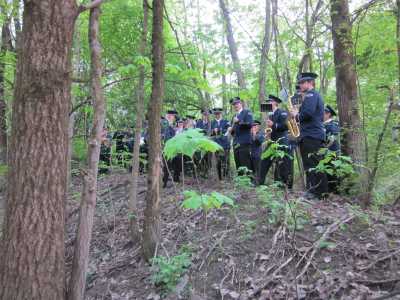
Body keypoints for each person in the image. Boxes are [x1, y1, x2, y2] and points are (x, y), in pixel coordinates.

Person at [290, 72, 328, 199]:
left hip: (312, 135)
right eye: (299, 83)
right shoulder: (308, 96)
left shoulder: (312, 95)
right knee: (309, 164)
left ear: (310, 82)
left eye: (302, 83)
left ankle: (319, 193)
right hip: (309, 135)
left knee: (313, 164)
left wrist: (296, 114)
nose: (300, 85)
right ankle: (314, 191)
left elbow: (308, 114)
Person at [258, 95, 291, 186]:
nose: (268, 103)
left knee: (281, 165)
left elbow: (286, 126)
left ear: (275, 103)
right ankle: (260, 183)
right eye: (268, 102)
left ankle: (281, 186)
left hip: (281, 142)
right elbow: (270, 129)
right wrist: (267, 132)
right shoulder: (270, 115)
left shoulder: (282, 112)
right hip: (271, 142)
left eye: (270, 102)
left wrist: (274, 124)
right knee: (264, 160)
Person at [227, 97, 253, 175]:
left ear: (241, 103)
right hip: (236, 143)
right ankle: (241, 181)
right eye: (234, 104)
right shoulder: (234, 116)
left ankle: (249, 180)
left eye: (237, 103)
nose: (236, 105)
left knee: (246, 162)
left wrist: (239, 122)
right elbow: (234, 132)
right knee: (238, 163)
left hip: (244, 142)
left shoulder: (247, 112)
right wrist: (230, 130)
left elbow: (249, 124)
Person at [324, 105, 341, 192]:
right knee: (325, 172)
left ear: (328, 114)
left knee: (332, 172)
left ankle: (334, 192)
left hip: (332, 152)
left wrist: (325, 147)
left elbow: (332, 138)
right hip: (324, 153)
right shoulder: (322, 124)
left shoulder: (333, 123)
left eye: (323, 113)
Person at [162, 110, 181, 188]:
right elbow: (166, 138)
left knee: (178, 161)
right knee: (166, 166)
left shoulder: (173, 126)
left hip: (173, 149)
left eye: (172, 116)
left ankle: (176, 179)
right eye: (169, 115)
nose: (171, 117)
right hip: (165, 148)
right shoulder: (163, 124)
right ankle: (164, 183)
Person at [210, 108, 231, 180]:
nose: (217, 115)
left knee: (226, 161)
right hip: (216, 145)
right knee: (218, 162)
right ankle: (220, 178)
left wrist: (219, 130)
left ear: (221, 113)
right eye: (216, 114)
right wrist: (213, 131)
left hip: (225, 145)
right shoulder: (212, 123)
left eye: (218, 113)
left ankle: (226, 176)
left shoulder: (226, 121)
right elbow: (210, 133)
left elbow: (229, 130)